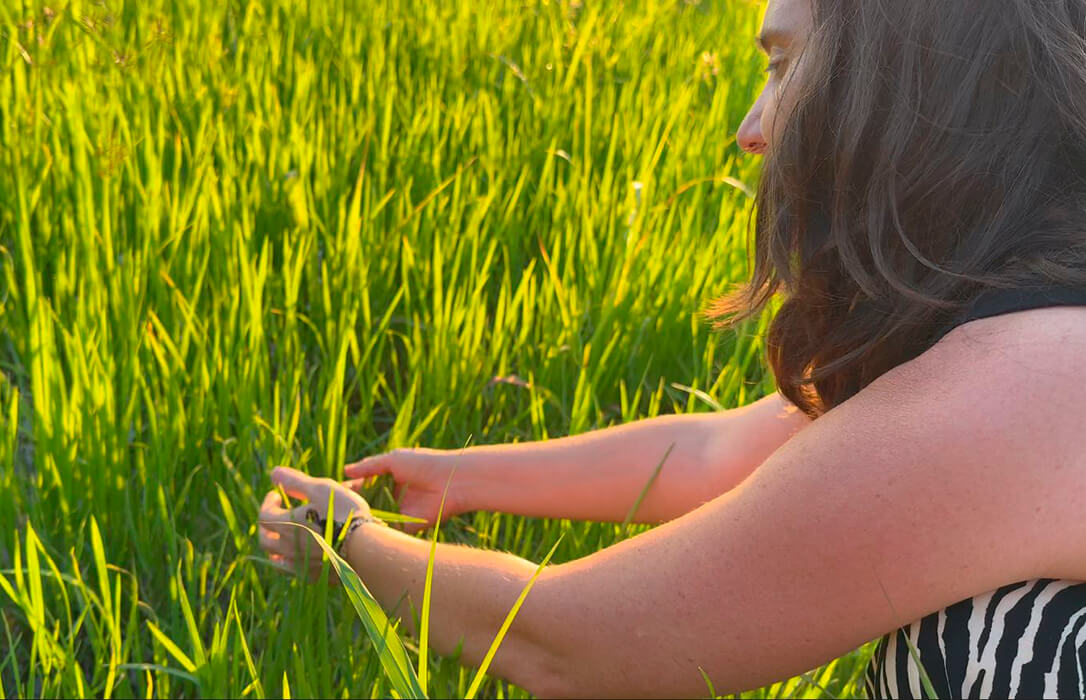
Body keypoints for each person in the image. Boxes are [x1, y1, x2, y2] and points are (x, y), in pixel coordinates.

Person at [258, 0, 1086, 696]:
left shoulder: (1028, 387)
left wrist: (347, 546)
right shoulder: (1029, 340)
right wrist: (460, 478)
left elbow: (573, 644)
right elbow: (720, 450)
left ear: (908, 85)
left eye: (781, 65)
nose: (749, 130)